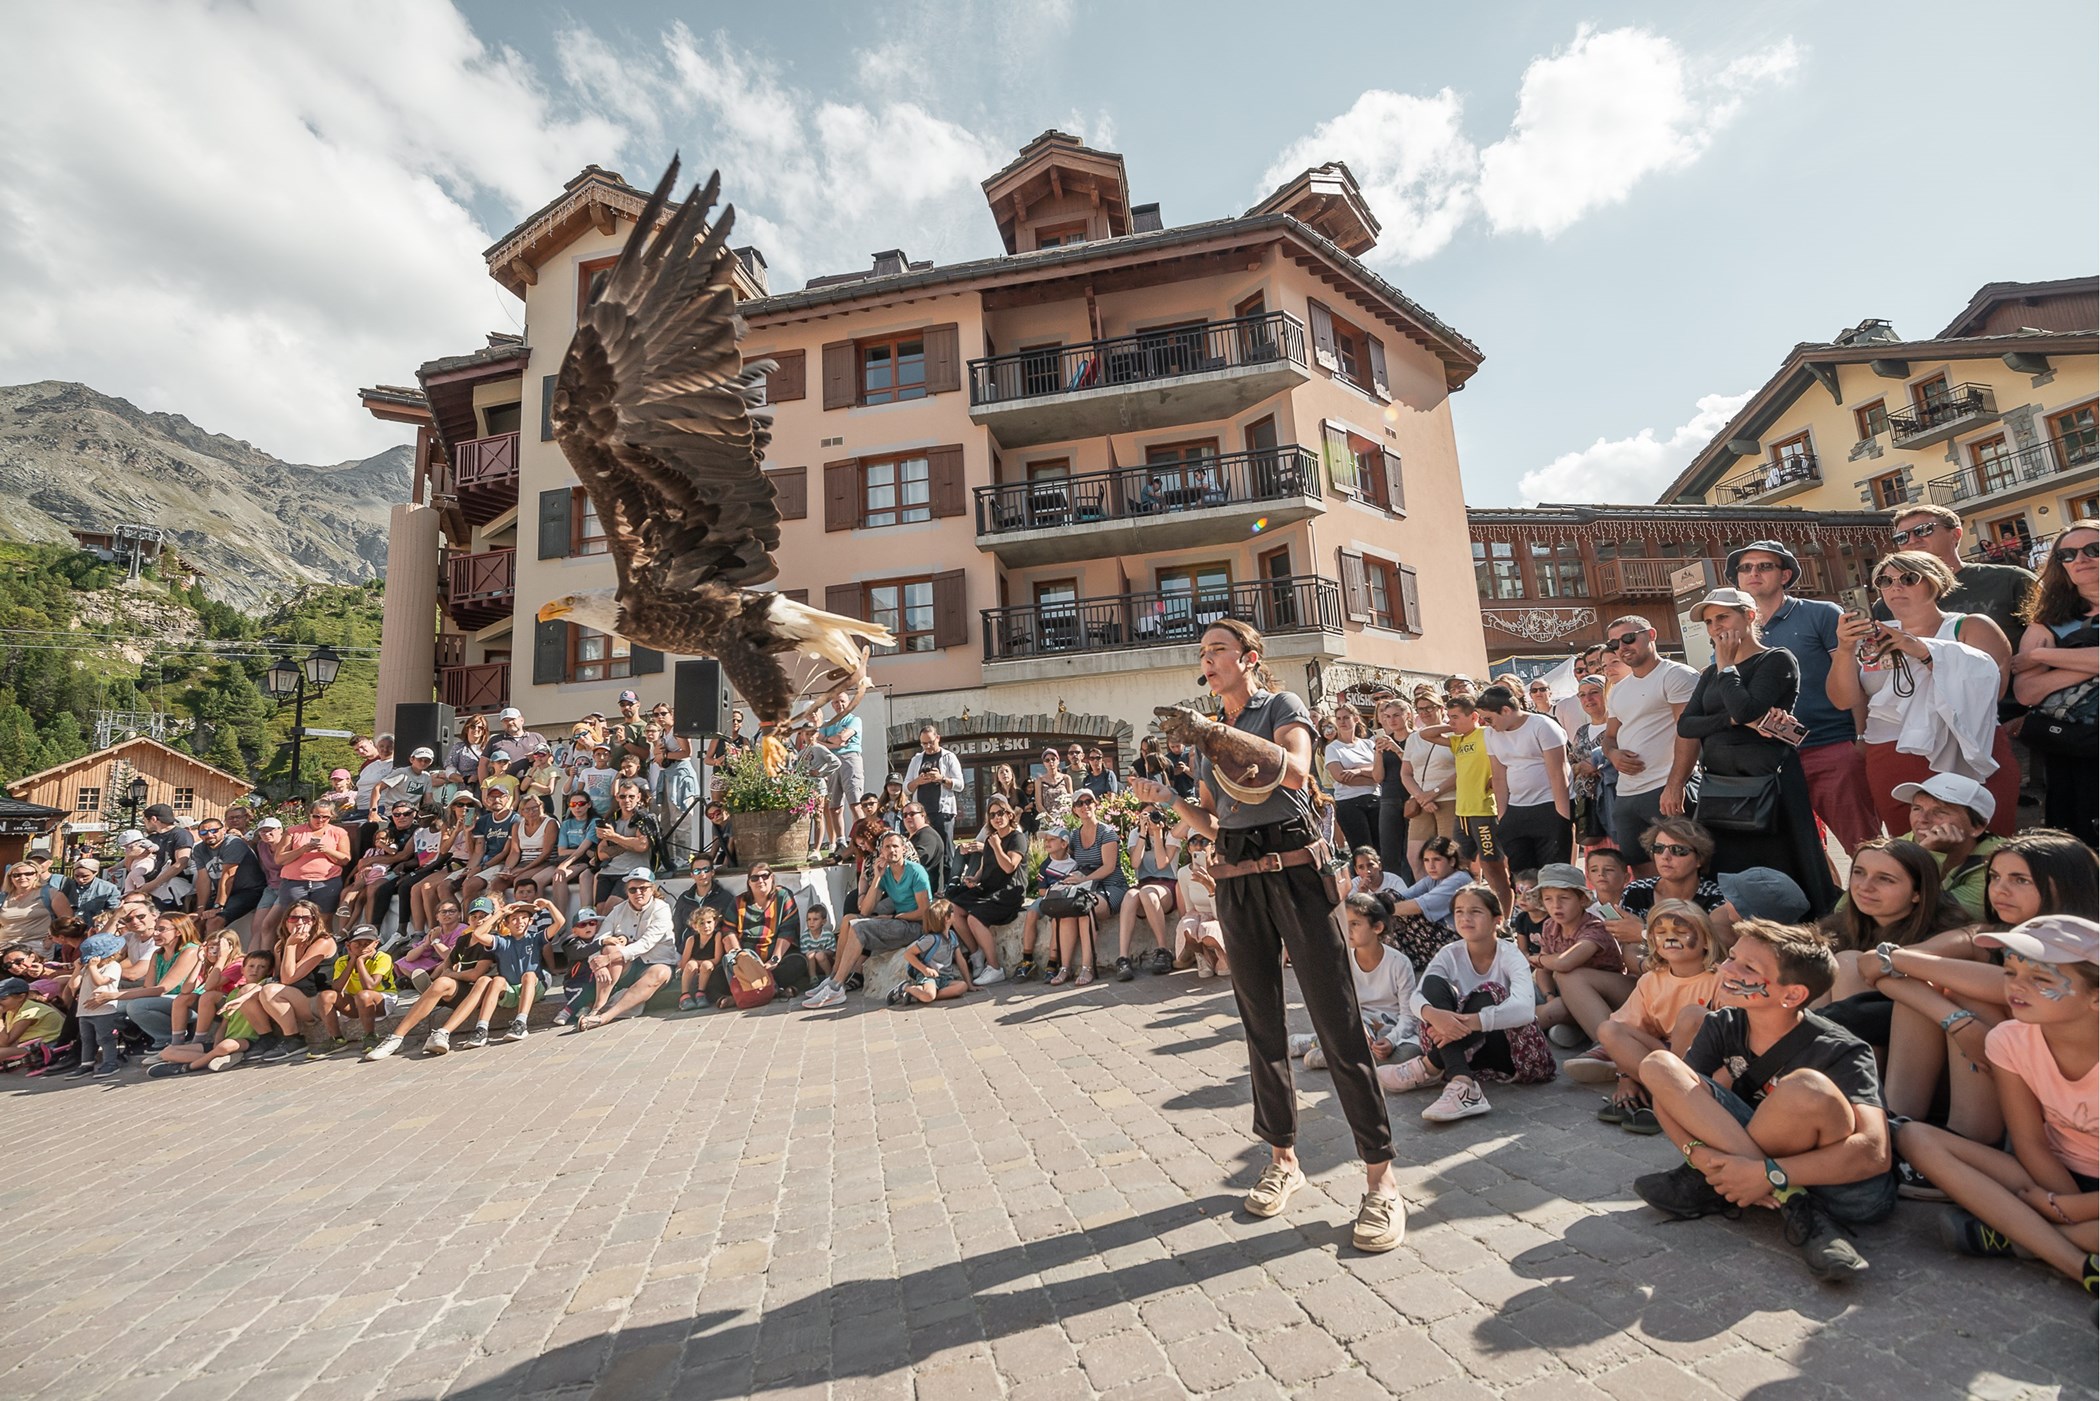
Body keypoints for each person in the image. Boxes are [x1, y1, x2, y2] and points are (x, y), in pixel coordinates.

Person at [1127, 619, 1403, 1253]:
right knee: (1261, 1025)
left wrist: (1218, 733)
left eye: (1218, 649)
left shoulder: (1281, 705)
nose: (1208, 659)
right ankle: (1283, 1160)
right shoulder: (1200, 736)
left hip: (1296, 872)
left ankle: (1381, 1181)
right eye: (1202, 653)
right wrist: (1167, 798)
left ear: (1249, 658)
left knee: (1337, 1021)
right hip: (1236, 878)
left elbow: (1297, 774)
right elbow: (1210, 819)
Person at [1635, 920, 1896, 1281]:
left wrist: (1767, 1173)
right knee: (1659, 1066)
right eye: (1732, 957)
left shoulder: (1843, 1050)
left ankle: (1738, 1187)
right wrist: (1697, 1154)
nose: (1725, 969)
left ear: (1791, 996)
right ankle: (1790, 1199)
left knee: (1805, 1087)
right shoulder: (1723, 1024)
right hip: (1770, 1160)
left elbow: (1874, 1153)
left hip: (1841, 1187)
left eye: (1748, 968)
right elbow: (1672, 1099)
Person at [1895, 915, 2099, 1293]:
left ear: (2096, 996)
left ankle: (2022, 1236)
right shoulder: (2009, 1040)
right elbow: (2029, 1142)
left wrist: (2065, 1210)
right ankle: (2080, 1264)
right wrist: (2058, 1201)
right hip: (2049, 1173)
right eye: (2009, 972)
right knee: (1914, 1138)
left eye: (2041, 979)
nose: (2017, 988)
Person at [1832, 550, 2017, 839]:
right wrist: (1844, 649)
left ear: (1935, 582)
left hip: (1967, 745)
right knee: (1911, 851)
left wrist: (1924, 651)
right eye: (1884, 580)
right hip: (1892, 752)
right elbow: (1843, 700)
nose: (1895, 587)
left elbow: (1994, 689)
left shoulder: (1969, 626)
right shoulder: (1869, 639)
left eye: (1908, 578)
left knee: (1982, 843)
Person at [1679, 587, 1840, 916]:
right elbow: (1686, 726)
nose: (1715, 628)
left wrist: (1727, 669)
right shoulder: (1709, 674)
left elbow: (1748, 708)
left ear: (1749, 616)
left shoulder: (1776, 658)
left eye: (1723, 617)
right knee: (1728, 871)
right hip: (1723, 786)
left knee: (1783, 866)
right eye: (1709, 622)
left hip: (1769, 783)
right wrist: (1734, 719)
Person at [1728, 540, 1880, 851]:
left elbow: (1854, 678)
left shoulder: (1822, 614)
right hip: (1772, 758)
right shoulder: (1733, 628)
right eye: (1745, 568)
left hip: (1831, 746)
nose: (1752, 573)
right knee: (1801, 856)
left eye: (1764, 566)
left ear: (1785, 575)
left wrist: (1862, 738)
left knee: (1865, 846)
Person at [1380, 883, 1553, 1117]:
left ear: (1497, 920)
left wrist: (1461, 1024)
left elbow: (1523, 1010)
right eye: (1459, 911)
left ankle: (1430, 1066)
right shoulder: (1450, 952)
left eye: (1476, 911)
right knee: (1433, 983)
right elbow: (1417, 997)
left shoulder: (1511, 954)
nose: (1465, 918)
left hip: (1512, 1054)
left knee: (1489, 991)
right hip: (1467, 1051)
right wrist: (1435, 1016)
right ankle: (1462, 1081)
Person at [1591, 900, 1724, 1130]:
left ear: (1706, 940)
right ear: (1652, 941)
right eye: (1661, 932)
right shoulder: (1651, 979)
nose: (1670, 938)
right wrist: (1625, 1078)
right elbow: (1629, 1027)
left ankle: (1673, 1100)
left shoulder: (1721, 979)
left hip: (1705, 1062)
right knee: (1608, 1029)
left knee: (1691, 1017)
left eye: (1681, 932)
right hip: (1666, 1055)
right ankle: (1662, 1093)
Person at [2012, 519, 2099, 847]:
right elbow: (2026, 692)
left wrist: (2041, 659)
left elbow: (2032, 667)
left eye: (2094, 549)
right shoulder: (2046, 625)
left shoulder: (2041, 644)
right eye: (2068, 554)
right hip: (2075, 755)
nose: (2081, 558)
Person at [1600, 615, 1699, 872]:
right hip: (1627, 794)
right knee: (1641, 871)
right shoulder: (1619, 689)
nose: (1622, 647)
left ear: (1652, 635)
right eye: (1613, 644)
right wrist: (1613, 755)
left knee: (1684, 869)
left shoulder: (1677, 675)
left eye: (1629, 638)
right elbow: (1608, 737)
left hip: (1665, 787)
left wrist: (1675, 786)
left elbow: (1689, 733)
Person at [803, 832, 935, 1009]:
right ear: (881, 851)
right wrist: (877, 877)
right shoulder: (886, 873)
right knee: (850, 919)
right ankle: (833, 978)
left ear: (904, 849)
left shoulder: (915, 871)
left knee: (860, 928)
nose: (892, 851)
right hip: (900, 923)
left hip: (916, 926)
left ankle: (837, 987)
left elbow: (924, 912)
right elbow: (865, 910)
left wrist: (895, 917)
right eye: (887, 847)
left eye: (896, 846)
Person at [1880, 502, 2039, 648]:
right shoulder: (1888, 603)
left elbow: (2058, 632)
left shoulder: (2010, 580)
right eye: (1901, 537)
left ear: (1955, 534)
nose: (1912, 540)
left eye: (1923, 530)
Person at [1290, 893, 1421, 1070]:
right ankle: (1325, 1044)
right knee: (1349, 1033)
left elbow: (1408, 1014)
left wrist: (1391, 1040)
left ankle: (1331, 1052)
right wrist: (1358, 1026)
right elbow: (1335, 1003)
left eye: (1355, 924)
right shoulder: (1342, 957)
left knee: (1411, 1053)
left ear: (1377, 927)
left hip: (1390, 1028)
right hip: (1355, 1024)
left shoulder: (1399, 963)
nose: (1347, 930)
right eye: (1345, 923)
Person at [365, 897, 500, 1058]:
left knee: (477, 980)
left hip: (485, 992)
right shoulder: (464, 939)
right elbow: (448, 961)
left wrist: (452, 974)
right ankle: (396, 1037)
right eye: (474, 916)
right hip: (462, 989)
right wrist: (449, 972)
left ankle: (442, 1032)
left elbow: (476, 974)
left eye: (483, 916)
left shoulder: (492, 939)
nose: (478, 920)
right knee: (442, 981)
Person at [1528, 863, 1631, 1059]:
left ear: (1582, 899)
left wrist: (1537, 959)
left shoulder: (1594, 927)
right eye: (1548, 899)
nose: (1556, 906)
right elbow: (1543, 971)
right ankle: (1576, 1029)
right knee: (1532, 992)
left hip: (1610, 994)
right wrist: (1549, 995)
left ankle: (1608, 1044)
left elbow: (1565, 963)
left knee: (1563, 991)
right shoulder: (1550, 925)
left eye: (1564, 898)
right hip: (1571, 996)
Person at [1475, 686, 1571, 877]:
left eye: (1488, 718)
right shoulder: (1490, 734)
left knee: (1552, 874)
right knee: (1521, 876)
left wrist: (1562, 820)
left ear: (1506, 710)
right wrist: (1503, 816)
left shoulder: (1543, 726)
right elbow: (1499, 776)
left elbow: (1558, 774)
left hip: (1549, 805)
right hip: (1516, 809)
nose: (1486, 724)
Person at [1418, 697, 1506, 905]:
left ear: (1474, 716)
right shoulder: (1458, 741)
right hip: (1462, 813)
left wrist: (1499, 777)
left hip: (1484, 811)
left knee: (1493, 867)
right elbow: (1425, 734)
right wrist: (1450, 724)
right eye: (1449, 717)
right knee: (1459, 865)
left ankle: (1505, 917)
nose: (1451, 722)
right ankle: (1471, 907)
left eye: (1456, 717)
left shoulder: (1487, 734)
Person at [574, 870, 680, 1029]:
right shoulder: (618, 910)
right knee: (609, 947)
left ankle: (606, 1016)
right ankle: (597, 1007)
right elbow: (599, 940)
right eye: (633, 889)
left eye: (643, 888)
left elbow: (646, 943)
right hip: (626, 965)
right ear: (627, 892)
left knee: (660, 973)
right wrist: (596, 964)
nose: (638, 893)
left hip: (658, 961)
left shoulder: (661, 909)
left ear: (652, 889)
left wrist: (608, 959)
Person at [146, 950, 279, 1076]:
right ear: (242, 970)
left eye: (261, 967)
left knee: (225, 1046)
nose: (255, 970)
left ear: (268, 971)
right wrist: (216, 1044)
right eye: (251, 966)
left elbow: (268, 983)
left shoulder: (263, 986)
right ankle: (218, 1059)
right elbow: (225, 1023)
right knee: (167, 1052)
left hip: (248, 1040)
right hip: (227, 1041)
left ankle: (189, 1066)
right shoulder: (234, 993)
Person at [1891, 773, 2002, 920]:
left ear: (1978, 826)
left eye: (1940, 811)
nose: (1922, 819)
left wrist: (1930, 854)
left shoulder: (2000, 862)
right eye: (1917, 808)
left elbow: (1928, 918)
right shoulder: (1897, 846)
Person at [947, 794, 1023, 985]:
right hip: (988, 888)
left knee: (975, 917)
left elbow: (1009, 867)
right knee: (954, 909)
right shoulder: (991, 838)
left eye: (1001, 813)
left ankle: (995, 967)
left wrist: (997, 846)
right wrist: (975, 878)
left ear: (1009, 815)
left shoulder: (1017, 838)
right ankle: (976, 954)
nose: (997, 817)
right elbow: (984, 865)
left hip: (1008, 892)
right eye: (992, 815)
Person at [109, 911, 203, 1052]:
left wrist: (114, 995)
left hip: (188, 1003)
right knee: (108, 1007)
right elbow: (147, 988)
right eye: (156, 929)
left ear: (178, 932)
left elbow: (162, 989)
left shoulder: (190, 951)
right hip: (164, 1001)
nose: (156, 934)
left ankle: (169, 1039)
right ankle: (137, 1037)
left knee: (136, 1007)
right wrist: (109, 996)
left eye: (162, 930)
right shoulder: (157, 954)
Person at [1059, 789, 1126, 982]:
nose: (1085, 806)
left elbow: (1108, 867)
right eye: (1079, 803)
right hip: (1088, 888)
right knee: (1066, 912)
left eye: (1088, 801)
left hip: (1112, 887)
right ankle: (1065, 967)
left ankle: (1088, 968)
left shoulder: (1107, 832)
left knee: (1084, 909)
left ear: (1095, 804)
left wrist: (1082, 880)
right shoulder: (1074, 835)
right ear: (1074, 810)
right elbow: (1071, 862)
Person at [1385, 835, 1469, 972]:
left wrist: (1378, 910)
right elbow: (1403, 896)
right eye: (1426, 860)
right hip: (1440, 936)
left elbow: (1419, 906)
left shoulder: (1458, 879)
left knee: (1393, 909)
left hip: (1458, 940)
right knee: (1389, 897)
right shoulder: (1433, 879)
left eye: (1437, 860)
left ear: (1452, 861)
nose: (1431, 866)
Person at [1116, 803, 1179, 979]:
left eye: (1154, 814)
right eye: (1146, 814)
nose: (1151, 818)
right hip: (1143, 884)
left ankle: (1163, 950)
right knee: (1130, 895)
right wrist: (1143, 834)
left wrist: (1157, 834)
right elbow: (1135, 863)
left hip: (1167, 886)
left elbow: (1161, 863)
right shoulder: (1136, 835)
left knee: (1148, 893)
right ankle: (1123, 958)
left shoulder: (1171, 834)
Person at [313, 925, 396, 1055]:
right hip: (357, 1001)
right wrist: (352, 961)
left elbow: (370, 986)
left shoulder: (382, 958)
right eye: (357, 944)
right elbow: (338, 988)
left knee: (364, 995)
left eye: (367, 943)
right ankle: (337, 1039)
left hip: (382, 1000)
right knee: (325, 996)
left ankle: (370, 1036)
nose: (363, 948)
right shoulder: (342, 961)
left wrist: (360, 962)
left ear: (376, 943)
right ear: (348, 945)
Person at [901, 726, 964, 881]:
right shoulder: (916, 759)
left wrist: (941, 779)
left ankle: (949, 886)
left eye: (930, 742)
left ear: (938, 738)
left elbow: (960, 784)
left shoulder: (948, 757)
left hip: (943, 811)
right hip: (921, 815)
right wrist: (918, 781)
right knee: (926, 852)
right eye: (924, 744)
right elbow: (906, 788)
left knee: (947, 851)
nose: (928, 747)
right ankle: (929, 887)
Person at [1323, 704, 1380, 858]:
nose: (1342, 722)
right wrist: (1371, 774)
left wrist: (1358, 770)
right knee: (1362, 851)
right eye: (1339, 718)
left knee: (1380, 848)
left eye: (1346, 717)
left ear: (1355, 719)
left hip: (1375, 799)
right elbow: (1341, 777)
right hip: (1349, 803)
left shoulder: (1368, 744)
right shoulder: (1333, 748)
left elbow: (1380, 773)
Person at [1173, 832, 1229, 979]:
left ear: (1213, 847)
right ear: (1188, 848)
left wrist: (1211, 889)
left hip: (1221, 916)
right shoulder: (1184, 873)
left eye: (1204, 841)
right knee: (1186, 927)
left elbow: (1223, 912)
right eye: (1193, 842)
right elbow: (1189, 908)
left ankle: (1224, 956)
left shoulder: (1222, 870)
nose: (1199, 846)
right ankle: (1203, 956)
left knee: (1207, 929)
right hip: (1199, 915)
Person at [277, 801, 352, 912]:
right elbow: (279, 859)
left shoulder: (339, 832)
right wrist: (302, 850)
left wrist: (327, 850)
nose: (320, 820)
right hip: (294, 883)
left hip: (326, 883)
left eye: (325, 817)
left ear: (331, 816)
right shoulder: (293, 832)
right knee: (292, 919)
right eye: (316, 816)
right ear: (309, 814)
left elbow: (345, 860)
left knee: (324, 921)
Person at [816, 691, 867, 850]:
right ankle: (840, 841)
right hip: (832, 762)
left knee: (855, 802)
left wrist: (829, 740)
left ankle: (861, 839)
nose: (840, 705)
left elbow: (842, 738)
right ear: (832, 704)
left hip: (850, 759)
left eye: (843, 701)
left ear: (849, 702)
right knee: (834, 805)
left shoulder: (854, 720)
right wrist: (833, 744)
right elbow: (817, 741)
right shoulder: (827, 723)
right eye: (836, 702)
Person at [72, 930, 126, 1076]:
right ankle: (86, 1063)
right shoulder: (87, 968)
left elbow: (100, 982)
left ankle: (110, 1062)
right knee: (87, 1038)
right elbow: (73, 985)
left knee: (105, 1037)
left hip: (104, 1010)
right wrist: (78, 969)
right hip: (85, 1010)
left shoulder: (113, 966)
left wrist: (92, 967)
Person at [899, 899, 973, 1005]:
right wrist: (925, 969)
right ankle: (906, 988)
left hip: (946, 978)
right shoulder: (931, 939)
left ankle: (920, 992)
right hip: (929, 977)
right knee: (929, 996)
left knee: (962, 986)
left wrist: (970, 984)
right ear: (946, 919)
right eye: (952, 911)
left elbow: (960, 959)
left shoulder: (952, 935)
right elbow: (908, 954)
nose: (955, 913)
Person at [0, 862, 70, 959]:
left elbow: (68, 922)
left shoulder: (50, 893)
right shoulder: (3, 896)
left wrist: (52, 939)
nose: (22, 877)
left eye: (28, 873)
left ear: (36, 875)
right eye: (17, 875)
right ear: (10, 878)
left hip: (37, 948)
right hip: (5, 947)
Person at [678, 904, 732, 1011]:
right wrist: (694, 963)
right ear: (694, 926)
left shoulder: (717, 936)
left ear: (715, 922)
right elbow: (684, 963)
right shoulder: (691, 940)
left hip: (709, 967)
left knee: (706, 964)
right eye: (701, 923)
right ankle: (684, 996)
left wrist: (698, 962)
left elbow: (716, 959)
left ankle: (700, 994)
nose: (706, 926)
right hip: (693, 970)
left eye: (709, 922)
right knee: (690, 964)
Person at [1031, 748, 1073, 832]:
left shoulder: (1066, 778)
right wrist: (1049, 818)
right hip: (1047, 820)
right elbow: (1038, 804)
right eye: (1047, 760)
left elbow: (1071, 799)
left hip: (1065, 819)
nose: (1051, 762)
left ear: (1058, 760)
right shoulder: (1040, 781)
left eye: (1053, 759)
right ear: (1044, 763)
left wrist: (1065, 817)